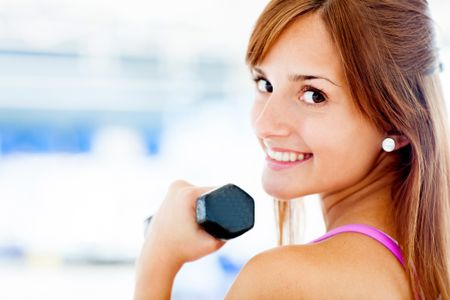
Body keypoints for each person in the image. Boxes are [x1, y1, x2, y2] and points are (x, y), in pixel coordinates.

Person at [134, 0, 450, 299]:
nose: (264, 123)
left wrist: (156, 262)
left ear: (397, 120)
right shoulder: (426, 272)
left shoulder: (283, 281)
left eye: (313, 95)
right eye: (265, 84)